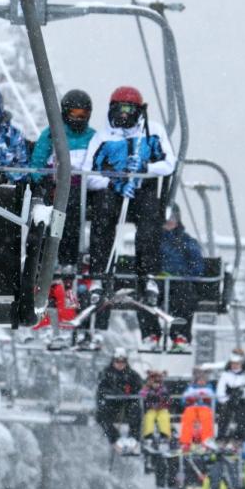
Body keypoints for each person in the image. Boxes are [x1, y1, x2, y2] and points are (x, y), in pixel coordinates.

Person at [81, 86, 176, 339]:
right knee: (103, 217)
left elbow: (169, 163)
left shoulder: (152, 132)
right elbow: (88, 175)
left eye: (129, 111)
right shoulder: (102, 138)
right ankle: (100, 275)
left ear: (138, 111)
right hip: (111, 191)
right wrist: (112, 181)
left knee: (149, 222)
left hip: (141, 189)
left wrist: (146, 167)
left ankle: (147, 276)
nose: (123, 116)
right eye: (119, 110)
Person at [28, 88, 96, 268]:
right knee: (54, 211)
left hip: (82, 189)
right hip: (55, 185)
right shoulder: (53, 133)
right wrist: (41, 182)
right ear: (66, 113)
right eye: (74, 114)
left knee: (72, 209)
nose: (78, 119)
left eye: (83, 115)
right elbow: (37, 164)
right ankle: (43, 260)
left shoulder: (92, 137)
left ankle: (69, 260)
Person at [139, 203, 205, 351]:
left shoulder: (187, 242)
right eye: (166, 217)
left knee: (184, 298)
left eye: (173, 217)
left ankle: (179, 335)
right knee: (145, 296)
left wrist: (183, 275)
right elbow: (143, 261)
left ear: (178, 219)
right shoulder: (152, 240)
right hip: (157, 282)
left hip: (179, 282)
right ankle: (151, 334)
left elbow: (197, 266)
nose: (169, 221)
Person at [95, 347, 143, 453]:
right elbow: (101, 390)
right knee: (101, 415)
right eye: (117, 361)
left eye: (123, 361)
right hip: (111, 406)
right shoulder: (106, 374)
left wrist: (131, 393)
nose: (120, 364)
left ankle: (134, 438)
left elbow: (139, 386)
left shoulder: (131, 374)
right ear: (113, 361)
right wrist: (113, 393)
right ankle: (115, 439)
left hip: (127, 405)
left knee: (136, 410)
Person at [216, 348, 245, 442]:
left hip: (244, 402)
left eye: (237, 363)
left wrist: (242, 392)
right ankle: (221, 438)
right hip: (229, 401)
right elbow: (220, 392)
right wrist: (228, 399)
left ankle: (239, 439)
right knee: (224, 415)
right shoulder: (226, 374)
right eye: (233, 363)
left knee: (242, 416)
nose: (234, 366)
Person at [180, 367, 216, 451]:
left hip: (204, 407)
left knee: (206, 417)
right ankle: (186, 442)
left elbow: (215, 400)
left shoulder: (209, 388)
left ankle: (206, 441)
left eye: (203, 380)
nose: (201, 382)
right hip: (192, 407)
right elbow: (183, 400)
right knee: (188, 416)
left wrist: (207, 399)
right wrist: (189, 400)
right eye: (199, 380)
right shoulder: (190, 388)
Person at [140, 369, 173, 453]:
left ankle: (165, 435)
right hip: (151, 409)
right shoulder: (148, 389)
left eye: (157, 383)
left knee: (164, 417)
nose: (156, 385)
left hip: (162, 409)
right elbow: (142, 394)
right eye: (154, 383)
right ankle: (148, 435)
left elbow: (168, 399)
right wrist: (147, 388)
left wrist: (164, 400)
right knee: (148, 417)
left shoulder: (163, 390)